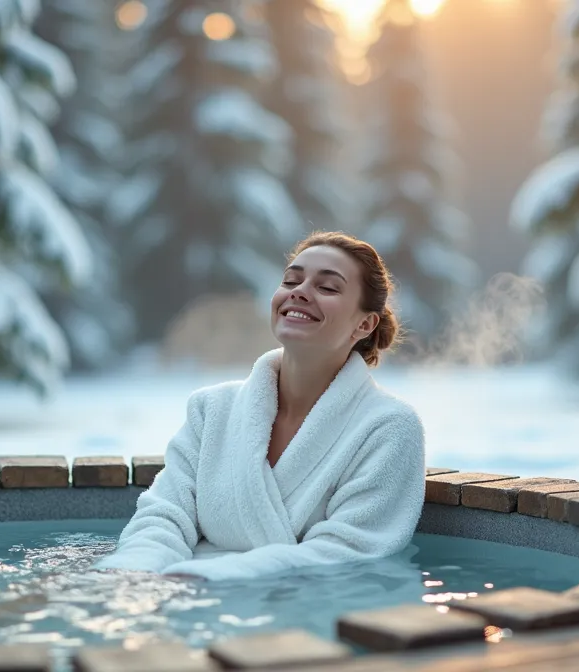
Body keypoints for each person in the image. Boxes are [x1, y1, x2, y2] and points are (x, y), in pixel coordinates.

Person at [92, 231, 428, 582]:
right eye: (291, 280)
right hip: (190, 604)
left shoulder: (388, 427)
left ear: (364, 323)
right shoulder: (212, 409)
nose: (299, 292)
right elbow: (163, 515)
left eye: (327, 287)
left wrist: (210, 579)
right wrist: (133, 572)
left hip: (307, 616)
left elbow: (350, 551)